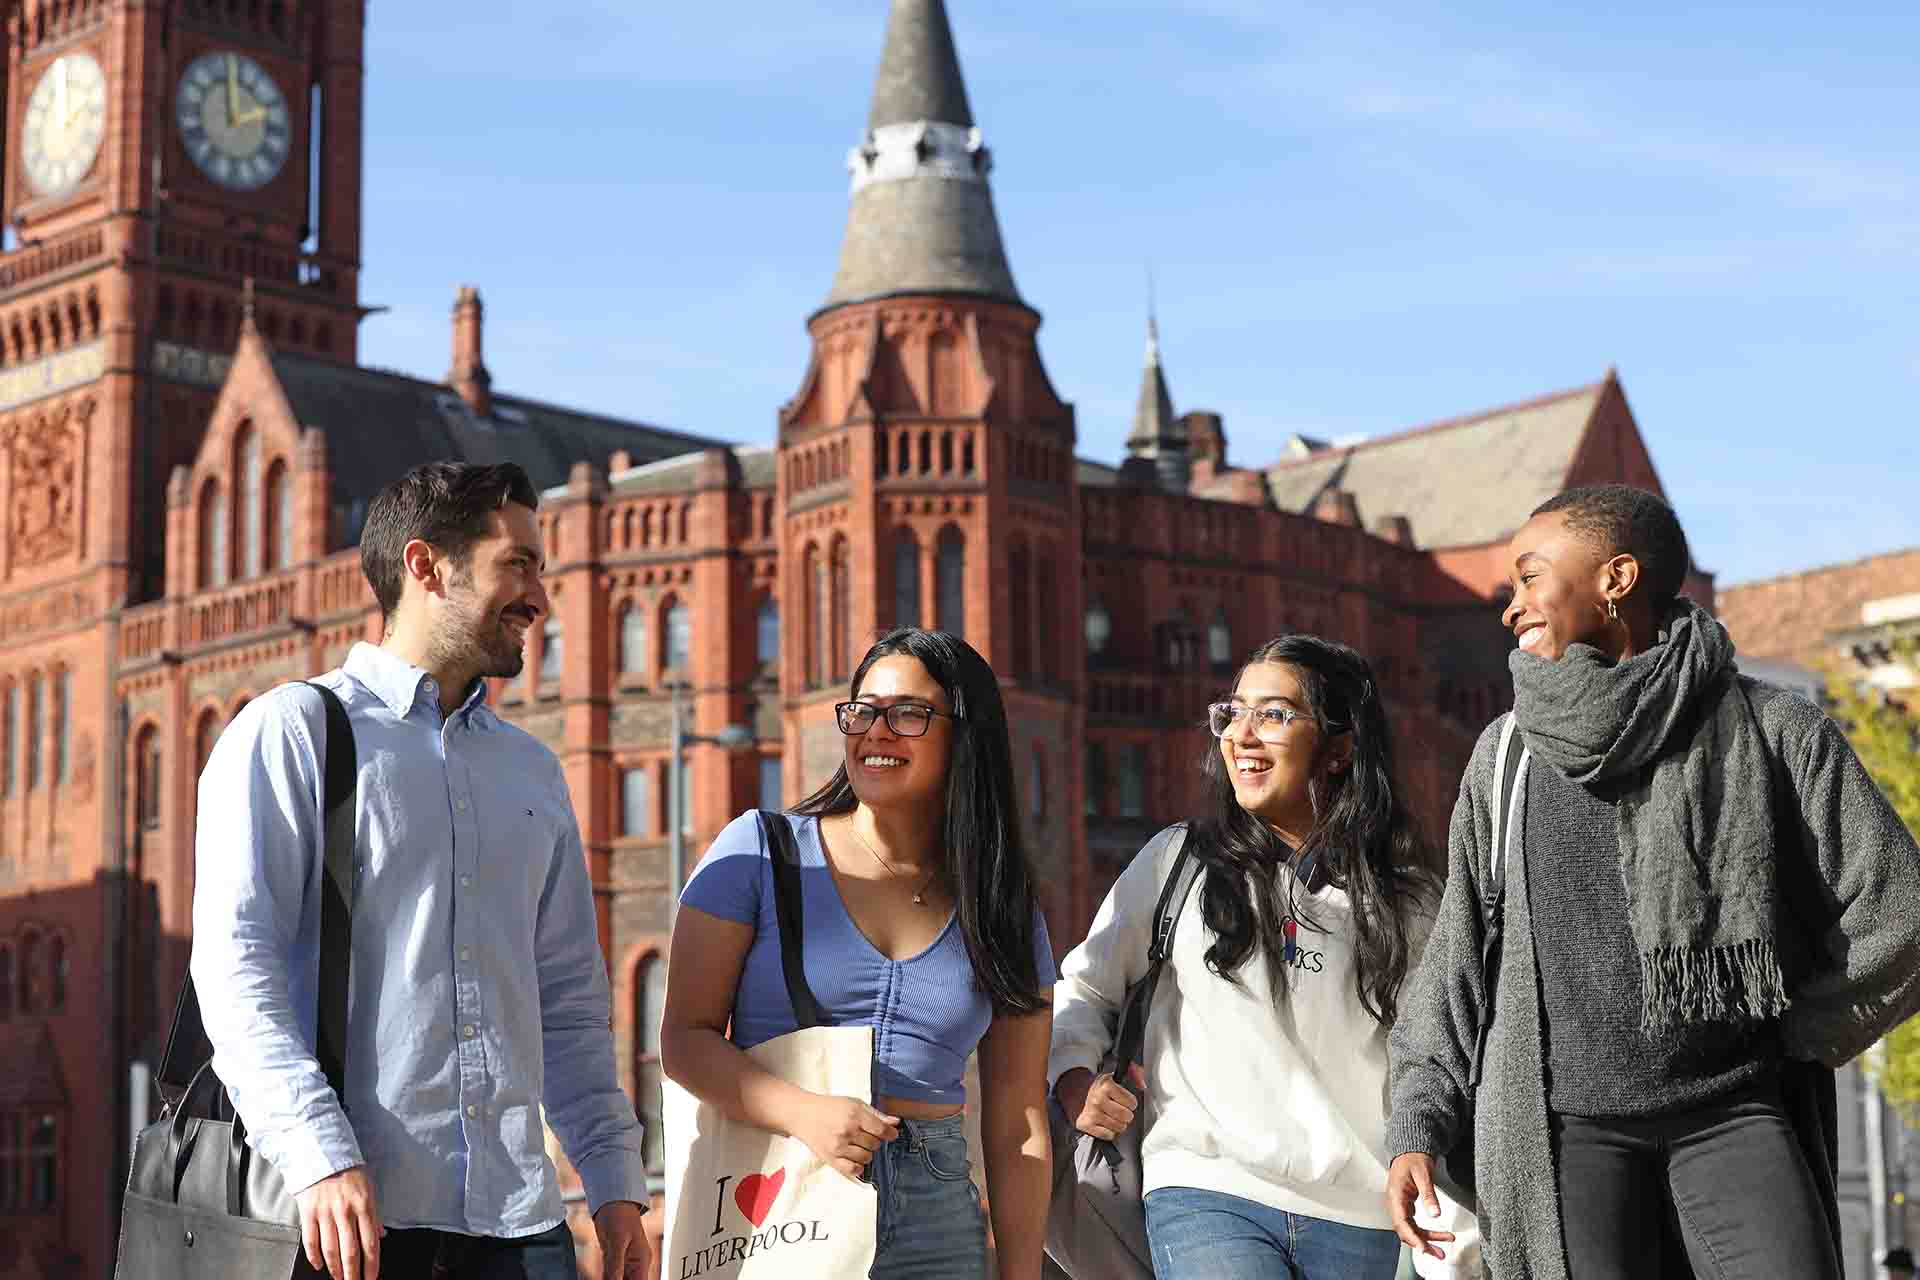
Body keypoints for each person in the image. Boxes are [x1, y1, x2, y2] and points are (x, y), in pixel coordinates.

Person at [1387, 484, 1920, 1278]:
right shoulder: (1507, 758)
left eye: (1531, 578)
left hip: (1734, 1115)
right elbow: (1458, 958)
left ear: (1617, 578)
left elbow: (1899, 911)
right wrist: (1416, 1123)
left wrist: (1800, 1032)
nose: (1512, 605)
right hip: (1566, 1134)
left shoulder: (1774, 730)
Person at [190, 462, 649, 1280]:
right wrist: (319, 1155)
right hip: (347, 1222)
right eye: (517, 563)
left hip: (522, 1225)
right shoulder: (294, 732)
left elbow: (570, 1001)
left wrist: (614, 1183)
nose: (539, 596)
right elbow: (235, 969)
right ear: (425, 566)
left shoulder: (532, 772)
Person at [1051, 635, 1474, 1279]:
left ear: (1339, 749)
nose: (1241, 735)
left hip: (1364, 1212)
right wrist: (1073, 1077)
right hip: (1205, 1189)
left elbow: (1434, 1057)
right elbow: (1086, 988)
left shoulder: (1410, 902)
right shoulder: (1179, 862)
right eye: (1233, 712)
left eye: (1273, 715)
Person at [662, 627, 1057, 1280]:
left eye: (908, 714)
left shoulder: (1001, 903)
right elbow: (684, 1037)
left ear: (964, 734)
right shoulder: (760, 853)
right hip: (780, 1190)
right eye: (863, 710)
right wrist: (804, 1113)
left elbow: (1020, 1119)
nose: (877, 730)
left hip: (937, 1209)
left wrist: (1021, 1274)